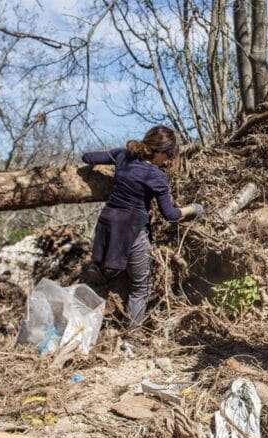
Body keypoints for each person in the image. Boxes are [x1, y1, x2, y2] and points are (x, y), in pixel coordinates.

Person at [81, 126, 203, 333]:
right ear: (159, 151)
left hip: (106, 225)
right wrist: (193, 208)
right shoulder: (156, 176)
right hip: (132, 232)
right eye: (169, 155)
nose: (168, 160)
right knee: (141, 286)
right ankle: (132, 338)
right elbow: (170, 215)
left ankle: (84, 329)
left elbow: (87, 157)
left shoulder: (123, 155)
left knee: (99, 278)